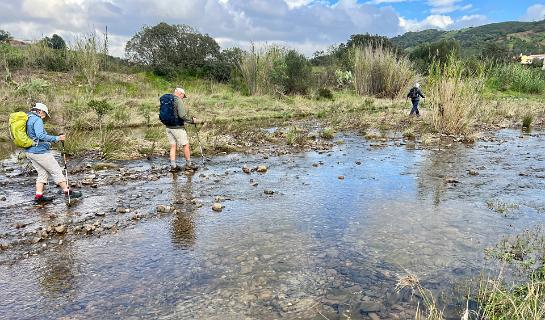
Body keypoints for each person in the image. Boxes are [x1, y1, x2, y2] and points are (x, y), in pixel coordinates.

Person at [25, 103, 82, 204]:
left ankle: (39, 197)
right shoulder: (37, 119)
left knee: (42, 174)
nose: (45, 116)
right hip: (40, 152)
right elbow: (40, 135)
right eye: (45, 114)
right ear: (40, 111)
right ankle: (68, 192)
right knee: (56, 170)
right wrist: (57, 138)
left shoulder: (28, 118)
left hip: (30, 151)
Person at [165, 87, 200, 172]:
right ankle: (189, 165)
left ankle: (173, 166)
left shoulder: (168, 99)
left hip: (168, 126)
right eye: (183, 96)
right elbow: (182, 116)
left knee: (173, 146)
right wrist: (192, 121)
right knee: (186, 145)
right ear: (181, 94)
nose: (183, 98)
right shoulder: (178, 100)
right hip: (177, 127)